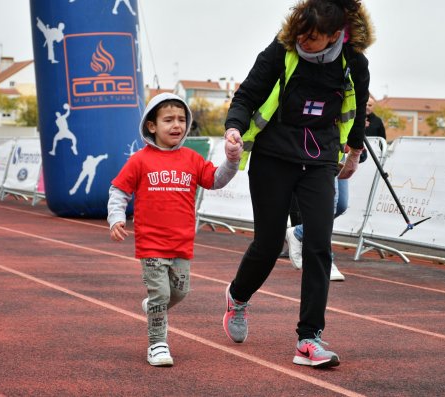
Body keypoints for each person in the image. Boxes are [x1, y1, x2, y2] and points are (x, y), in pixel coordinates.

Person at [222, 0, 373, 368]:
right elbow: (247, 95)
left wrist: (353, 154)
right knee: (269, 242)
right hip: (273, 154)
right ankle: (238, 298)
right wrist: (233, 129)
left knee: (320, 245)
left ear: (336, 36)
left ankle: (309, 339)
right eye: (301, 34)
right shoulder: (282, 50)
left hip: (320, 157)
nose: (305, 42)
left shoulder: (354, 62)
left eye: (314, 38)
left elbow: (357, 112)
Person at [107, 93, 242, 367]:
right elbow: (119, 190)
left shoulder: (192, 159)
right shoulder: (139, 160)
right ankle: (157, 344)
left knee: (179, 293)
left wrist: (231, 160)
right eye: (168, 119)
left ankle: (154, 309)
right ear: (152, 126)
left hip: (181, 243)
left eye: (181, 119)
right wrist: (116, 217)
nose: (176, 125)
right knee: (161, 294)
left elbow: (216, 180)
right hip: (151, 243)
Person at [285, 174, 347, 281]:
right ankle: (326, 261)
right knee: (331, 205)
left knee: (341, 205)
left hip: (342, 160)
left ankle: (298, 232)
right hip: (323, 161)